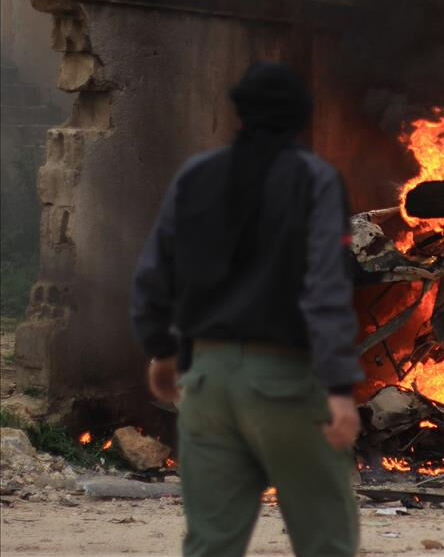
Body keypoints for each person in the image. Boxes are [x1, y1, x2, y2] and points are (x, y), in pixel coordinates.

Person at [130, 62, 363, 556]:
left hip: (206, 384)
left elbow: (155, 271)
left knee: (210, 544)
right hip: (285, 381)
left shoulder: (195, 175)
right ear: (301, 118)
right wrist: (340, 388)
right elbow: (326, 288)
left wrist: (161, 350)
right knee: (327, 540)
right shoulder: (315, 179)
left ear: (239, 114)